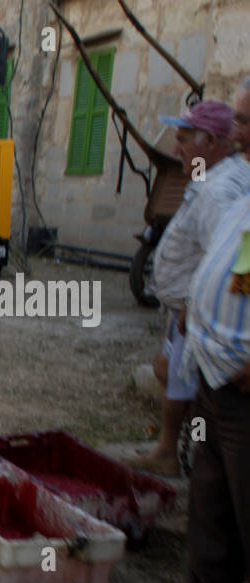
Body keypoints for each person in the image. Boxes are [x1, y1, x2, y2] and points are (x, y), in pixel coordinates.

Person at [129, 182, 250, 583]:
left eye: (244, 121)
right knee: (211, 502)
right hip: (216, 379)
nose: (242, 134)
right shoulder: (242, 197)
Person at [126, 100, 249, 475]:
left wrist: (193, 309)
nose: (176, 148)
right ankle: (186, 450)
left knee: (181, 378)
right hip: (189, 311)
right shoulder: (207, 181)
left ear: (209, 142)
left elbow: (229, 260)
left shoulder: (219, 192)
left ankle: (180, 452)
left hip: (200, 317)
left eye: (183, 139)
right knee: (173, 376)